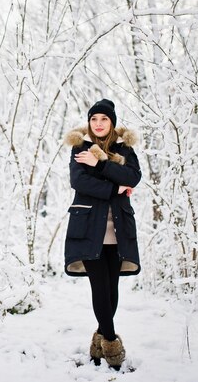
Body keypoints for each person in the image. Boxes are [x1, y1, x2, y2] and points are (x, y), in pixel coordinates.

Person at [63, 98, 141, 369]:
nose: (98, 124)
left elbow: (132, 178)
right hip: (89, 227)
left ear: (112, 123)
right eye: (94, 119)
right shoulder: (79, 146)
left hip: (118, 227)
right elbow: (78, 181)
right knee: (99, 285)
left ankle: (99, 340)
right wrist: (112, 187)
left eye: (104, 119)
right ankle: (110, 342)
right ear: (89, 123)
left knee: (112, 286)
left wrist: (99, 165)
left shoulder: (125, 149)